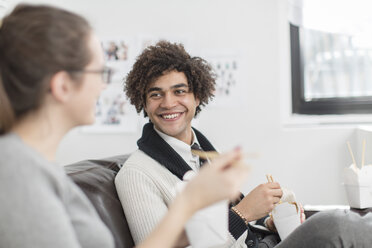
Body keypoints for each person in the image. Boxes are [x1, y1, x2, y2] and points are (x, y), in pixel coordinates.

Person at [0, 4, 250, 248]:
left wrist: (195, 211)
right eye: (100, 74)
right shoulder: (16, 172)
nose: (103, 86)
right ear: (63, 85)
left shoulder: (34, 166)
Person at [115, 40, 372, 248]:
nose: (169, 103)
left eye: (179, 91)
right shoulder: (136, 175)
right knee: (337, 225)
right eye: (156, 94)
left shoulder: (203, 154)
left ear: (197, 97)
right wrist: (241, 215)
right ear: (144, 103)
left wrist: (266, 222)